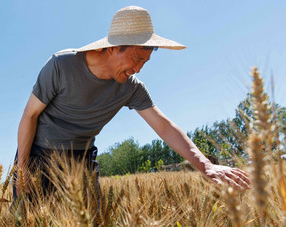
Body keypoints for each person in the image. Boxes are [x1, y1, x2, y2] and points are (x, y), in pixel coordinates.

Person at [13, 5, 250, 202]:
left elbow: (164, 126)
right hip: (38, 155)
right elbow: (30, 115)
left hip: (82, 159)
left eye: (144, 62)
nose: (138, 69)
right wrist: (22, 168)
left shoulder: (131, 87)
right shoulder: (61, 65)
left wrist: (205, 165)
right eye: (136, 58)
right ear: (114, 47)